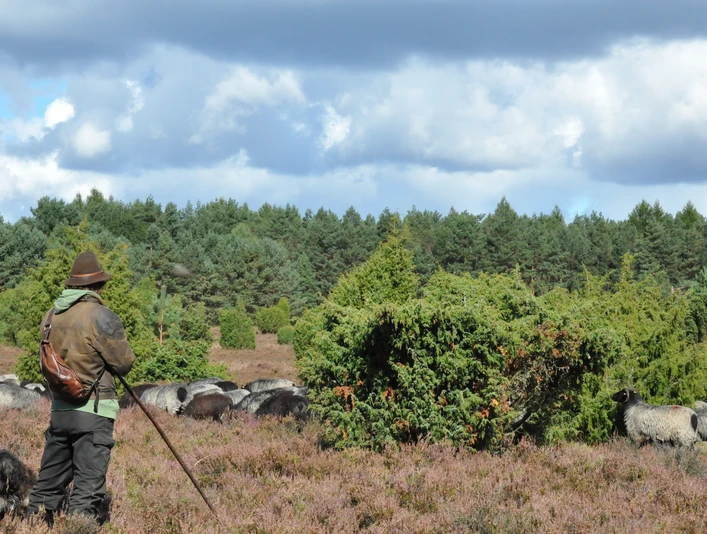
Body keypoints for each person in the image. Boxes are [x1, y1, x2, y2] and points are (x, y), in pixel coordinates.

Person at [26, 251, 135, 525]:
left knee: (47, 485)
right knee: (87, 491)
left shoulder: (51, 316)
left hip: (60, 411)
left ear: (73, 284)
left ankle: (29, 527)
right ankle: (78, 530)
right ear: (99, 286)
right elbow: (123, 363)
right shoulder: (102, 316)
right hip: (95, 412)